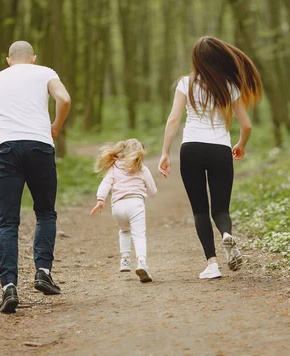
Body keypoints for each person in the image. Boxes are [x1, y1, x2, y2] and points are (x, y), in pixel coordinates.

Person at [0, 41, 71, 313]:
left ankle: (9, 288)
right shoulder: (45, 72)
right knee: (45, 213)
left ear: (8, 60)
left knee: (7, 223)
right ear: (33, 58)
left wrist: (2, 138)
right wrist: (54, 127)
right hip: (40, 145)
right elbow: (64, 99)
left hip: (5, 151)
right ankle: (42, 272)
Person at [158, 36, 262, 280]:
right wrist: (240, 145)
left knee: (200, 211)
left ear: (196, 59)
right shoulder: (229, 86)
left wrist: (165, 152)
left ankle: (212, 264)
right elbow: (246, 125)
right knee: (221, 209)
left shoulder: (186, 83)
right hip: (219, 150)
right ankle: (226, 234)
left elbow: (173, 120)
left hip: (191, 149)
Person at [90, 139, 157, 283]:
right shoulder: (143, 169)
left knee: (124, 231)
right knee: (139, 236)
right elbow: (152, 191)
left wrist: (100, 199)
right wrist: (149, 192)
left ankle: (125, 260)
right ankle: (142, 263)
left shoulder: (114, 167)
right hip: (136, 204)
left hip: (118, 207)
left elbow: (105, 183)